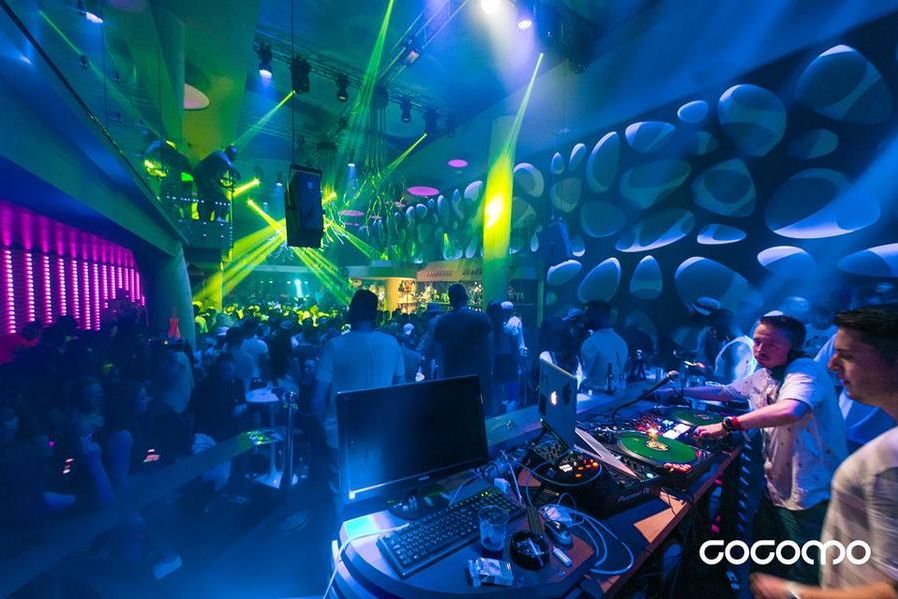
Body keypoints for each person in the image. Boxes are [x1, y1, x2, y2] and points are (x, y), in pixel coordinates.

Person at [662, 315, 846, 585]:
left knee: (803, 569)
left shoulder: (806, 371)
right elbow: (726, 392)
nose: (760, 349)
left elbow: (791, 409)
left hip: (811, 490)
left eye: (771, 344)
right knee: (768, 561)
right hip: (777, 486)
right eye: (758, 342)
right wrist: (678, 391)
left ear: (793, 347)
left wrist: (727, 425)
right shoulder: (765, 374)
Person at [751, 305, 898, 599]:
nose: (831, 364)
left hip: (808, 492)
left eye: (847, 355)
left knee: (802, 561)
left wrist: (792, 592)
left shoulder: (887, 463)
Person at [313, 290, 404, 452]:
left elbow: (318, 399)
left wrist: (322, 430)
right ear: (376, 314)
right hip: (380, 432)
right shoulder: (392, 343)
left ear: (351, 312)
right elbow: (401, 390)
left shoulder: (334, 346)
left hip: (341, 434)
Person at [433, 284, 493, 404]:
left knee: (456, 408)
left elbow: (438, 352)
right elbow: (489, 348)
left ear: (450, 300)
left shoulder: (443, 321)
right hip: (477, 375)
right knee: (478, 408)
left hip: (453, 376)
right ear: (466, 298)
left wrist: (442, 376)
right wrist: (489, 372)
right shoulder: (481, 318)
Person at [579, 301, 628, 393]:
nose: (584, 318)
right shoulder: (621, 341)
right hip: (616, 394)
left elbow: (584, 373)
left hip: (593, 395)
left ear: (599, 317)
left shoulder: (591, 343)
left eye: (588, 315)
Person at [193, 145, 239, 221]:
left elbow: (215, 177)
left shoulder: (223, 163)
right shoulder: (220, 154)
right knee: (223, 201)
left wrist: (224, 185)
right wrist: (233, 169)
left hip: (204, 180)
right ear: (229, 153)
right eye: (234, 155)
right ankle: (218, 219)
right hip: (203, 178)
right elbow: (223, 158)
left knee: (207, 202)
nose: (234, 158)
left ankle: (207, 220)